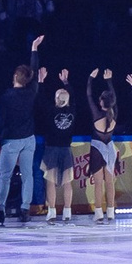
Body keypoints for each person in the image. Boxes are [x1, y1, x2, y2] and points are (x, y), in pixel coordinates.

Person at [0, 35, 44, 224]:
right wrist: (34, 49)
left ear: (15, 76)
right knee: (27, 175)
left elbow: (0, 121)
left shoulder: (6, 97)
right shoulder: (31, 93)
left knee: (5, 176)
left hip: (11, 141)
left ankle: (0, 209)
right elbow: (36, 71)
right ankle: (24, 208)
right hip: (28, 139)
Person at [39, 68, 83, 224]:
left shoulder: (51, 110)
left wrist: (41, 81)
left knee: (51, 181)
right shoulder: (73, 110)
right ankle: (67, 211)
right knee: (66, 182)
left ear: (56, 99)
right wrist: (66, 82)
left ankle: (52, 211)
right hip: (65, 149)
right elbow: (75, 99)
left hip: (52, 148)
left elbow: (41, 99)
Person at [85, 70, 122, 224]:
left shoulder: (96, 114)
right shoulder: (114, 114)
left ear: (101, 102)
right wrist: (109, 81)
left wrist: (90, 78)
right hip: (109, 148)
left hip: (97, 150)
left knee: (99, 183)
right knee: (109, 182)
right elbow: (114, 98)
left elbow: (88, 95)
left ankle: (99, 212)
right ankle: (111, 212)